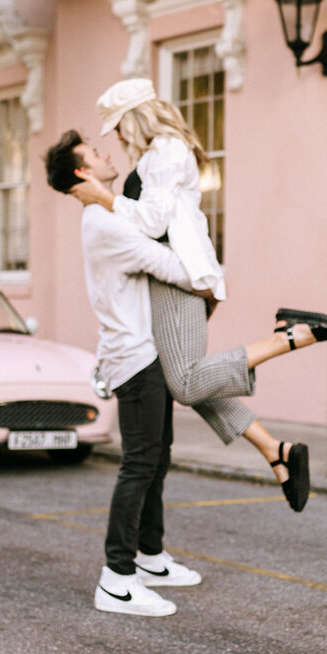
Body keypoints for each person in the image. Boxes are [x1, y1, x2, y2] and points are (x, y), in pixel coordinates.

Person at [70, 78, 327, 511]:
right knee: (190, 382)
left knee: (184, 382)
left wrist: (105, 198)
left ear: (135, 118)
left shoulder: (166, 150)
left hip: (176, 278)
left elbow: (151, 221)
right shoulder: (153, 156)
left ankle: (289, 336)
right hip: (168, 281)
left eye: (118, 127)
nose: (118, 138)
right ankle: (277, 452)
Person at [45, 130, 204, 618]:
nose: (106, 153)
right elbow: (171, 265)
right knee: (139, 463)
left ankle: (150, 557)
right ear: (82, 172)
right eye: (96, 153)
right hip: (134, 358)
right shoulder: (103, 222)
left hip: (146, 351)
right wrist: (205, 270)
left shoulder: (108, 214)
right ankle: (116, 579)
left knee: (158, 457)